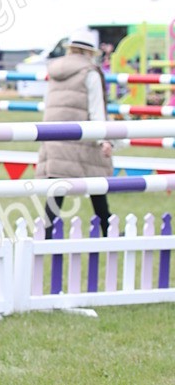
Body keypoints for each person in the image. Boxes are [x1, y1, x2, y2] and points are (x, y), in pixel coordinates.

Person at [36, 28, 113, 237]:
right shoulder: (89, 72)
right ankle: (108, 227)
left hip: (54, 134)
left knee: (57, 186)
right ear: (89, 52)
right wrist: (104, 139)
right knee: (96, 180)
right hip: (80, 135)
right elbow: (96, 109)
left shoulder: (54, 69)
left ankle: (47, 232)